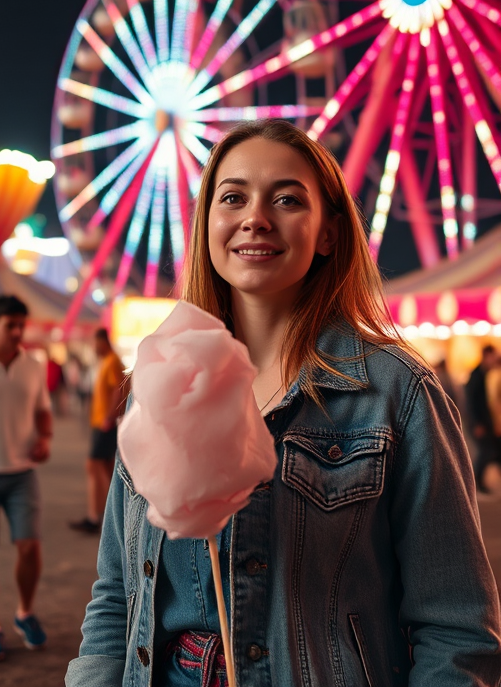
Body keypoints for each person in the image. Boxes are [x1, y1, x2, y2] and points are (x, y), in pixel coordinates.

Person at [66, 120, 501, 687]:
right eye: (233, 197)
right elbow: (115, 597)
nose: (255, 217)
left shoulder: (398, 394)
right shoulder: (158, 383)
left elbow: (457, 629)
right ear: (207, 224)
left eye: (288, 199)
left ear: (328, 233)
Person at [0, 295, 52, 663]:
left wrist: (44, 438)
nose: (16, 332)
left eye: (20, 325)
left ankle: (24, 612)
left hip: (21, 474)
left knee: (29, 547)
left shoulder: (32, 366)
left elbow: (43, 410)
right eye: (9, 325)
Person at [69, 328, 125, 534]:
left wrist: (109, 417)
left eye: (94, 343)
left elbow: (118, 389)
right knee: (108, 469)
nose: (93, 347)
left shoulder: (111, 361)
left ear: (102, 341)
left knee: (93, 465)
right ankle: (114, 513)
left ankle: (94, 517)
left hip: (105, 423)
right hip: (102, 421)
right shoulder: (107, 361)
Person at [465, 343, 500, 493]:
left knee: (491, 452)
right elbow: (470, 402)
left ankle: (477, 483)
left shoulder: (486, 374)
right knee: (485, 452)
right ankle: (475, 483)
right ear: (487, 356)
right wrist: (476, 423)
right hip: (479, 423)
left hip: (486, 422)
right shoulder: (476, 376)